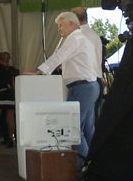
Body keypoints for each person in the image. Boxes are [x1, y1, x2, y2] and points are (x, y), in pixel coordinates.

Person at [37, 11, 99, 163]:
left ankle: (86, 166)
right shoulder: (81, 38)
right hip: (88, 86)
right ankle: (94, 164)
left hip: (82, 87)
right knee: (86, 129)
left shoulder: (75, 38)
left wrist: (39, 71)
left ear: (72, 23)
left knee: (73, 129)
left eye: (61, 25)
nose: (59, 29)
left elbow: (59, 57)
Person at [72, 7, 104, 122]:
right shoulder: (94, 35)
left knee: (76, 123)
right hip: (96, 80)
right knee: (90, 123)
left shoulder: (77, 36)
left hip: (85, 82)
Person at [0, 52, 18, 148]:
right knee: (10, 117)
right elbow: (13, 83)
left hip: (1, 93)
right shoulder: (12, 69)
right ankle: (10, 139)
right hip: (10, 94)